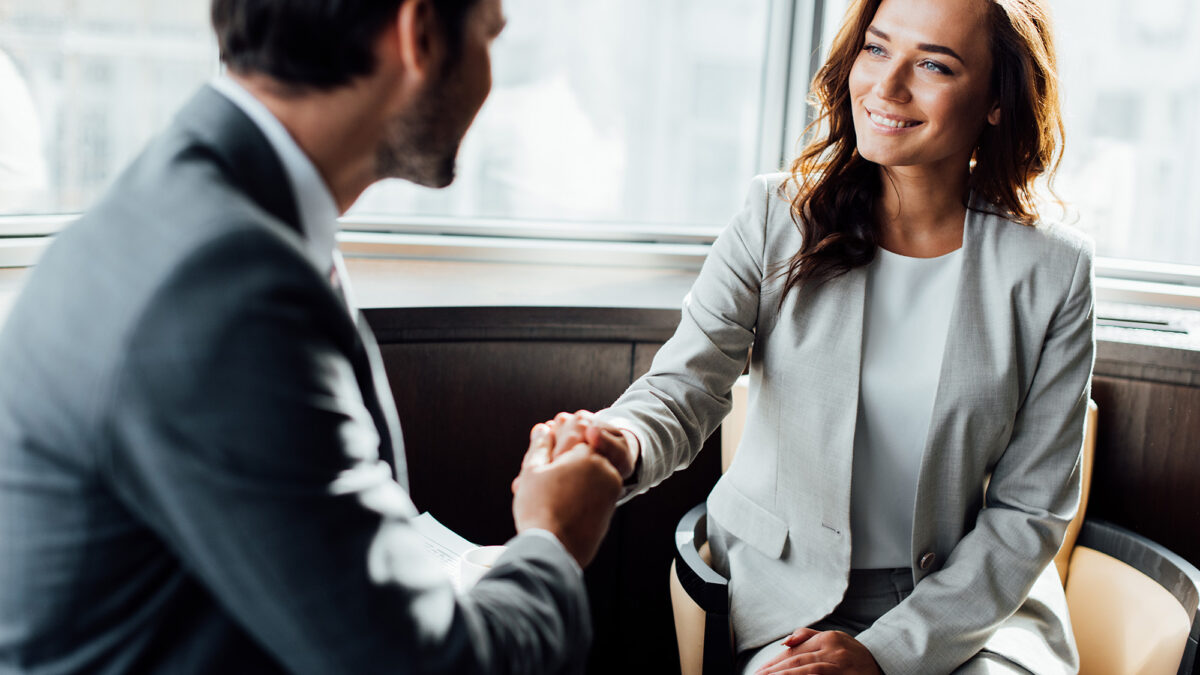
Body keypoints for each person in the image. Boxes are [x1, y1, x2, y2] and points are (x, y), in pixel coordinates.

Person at [0, 0, 624, 672]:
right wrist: (552, 536)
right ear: (419, 36)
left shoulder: (222, 205)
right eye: (488, 37)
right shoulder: (225, 285)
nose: (491, 80)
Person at [542, 0, 1093, 672]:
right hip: (789, 592)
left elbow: (1028, 513)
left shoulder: (1053, 271)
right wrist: (616, 442)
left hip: (963, 605)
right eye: (877, 48)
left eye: (933, 64)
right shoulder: (775, 217)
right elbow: (686, 386)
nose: (887, 88)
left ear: (998, 99)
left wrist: (881, 654)